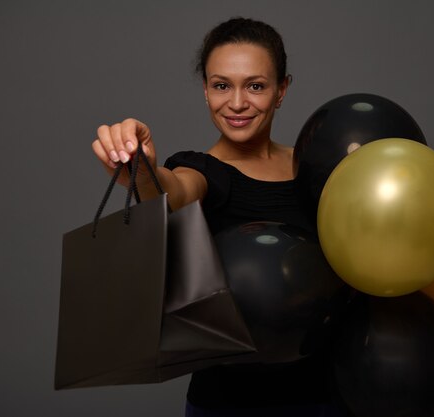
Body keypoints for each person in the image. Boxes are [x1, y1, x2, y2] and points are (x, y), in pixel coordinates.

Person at [92, 17, 349, 417]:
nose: (237, 103)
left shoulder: (318, 168)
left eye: (256, 85)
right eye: (221, 85)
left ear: (282, 90)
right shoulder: (201, 170)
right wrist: (139, 169)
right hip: (228, 403)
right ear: (206, 90)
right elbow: (172, 193)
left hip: (326, 395)